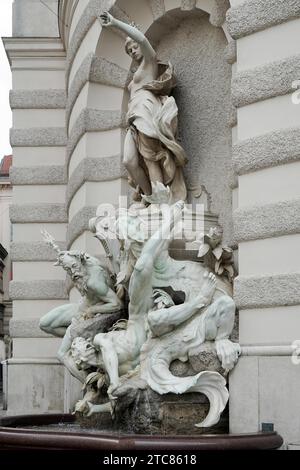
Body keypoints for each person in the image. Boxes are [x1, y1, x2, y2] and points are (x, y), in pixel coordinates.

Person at [100, 11, 188, 203]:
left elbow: (140, 37)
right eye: (129, 50)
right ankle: (151, 197)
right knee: (129, 161)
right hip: (133, 118)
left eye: (134, 47)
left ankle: (160, 200)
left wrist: (116, 23)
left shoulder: (150, 63)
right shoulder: (136, 73)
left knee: (150, 158)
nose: (132, 50)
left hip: (146, 112)